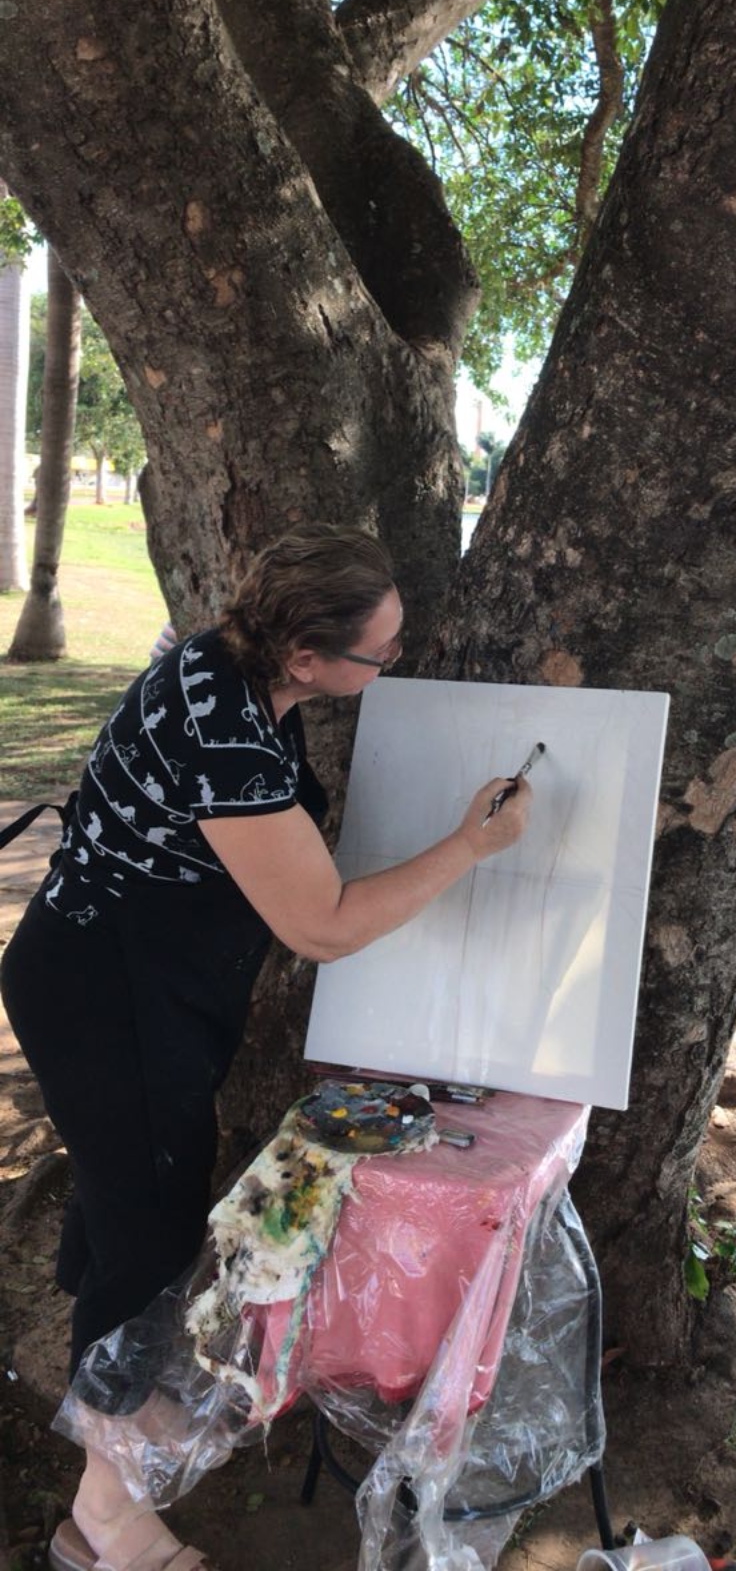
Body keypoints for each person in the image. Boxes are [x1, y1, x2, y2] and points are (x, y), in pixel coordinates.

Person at [0, 524, 531, 1571]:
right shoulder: (226, 737)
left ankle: (108, 1434)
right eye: (380, 653)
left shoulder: (225, 666)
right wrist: (471, 846)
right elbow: (322, 923)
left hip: (114, 980)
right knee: (150, 1240)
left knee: (131, 1211)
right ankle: (103, 1516)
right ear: (305, 658)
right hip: (110, 999)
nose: (391, 664)